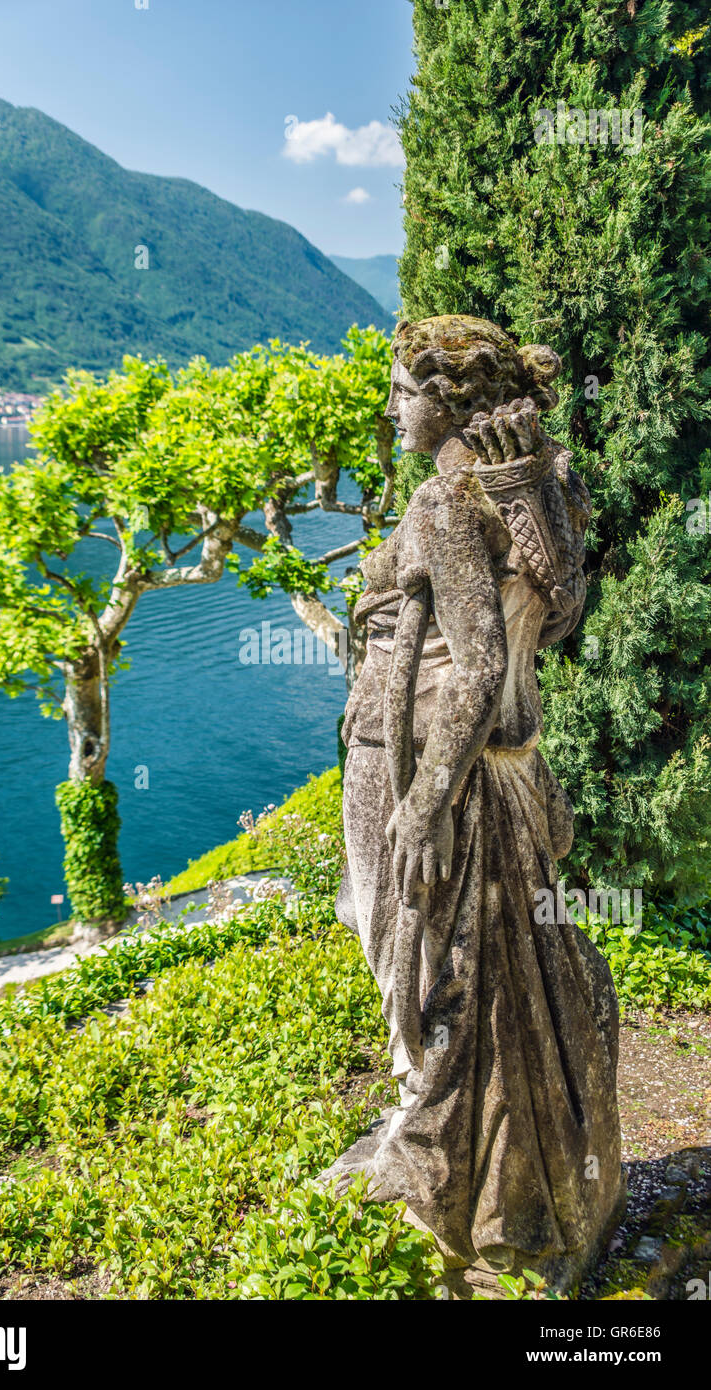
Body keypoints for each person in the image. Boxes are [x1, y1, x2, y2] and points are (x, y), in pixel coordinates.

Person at [332, 314, 623, 1290]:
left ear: (449, 396)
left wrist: (421, 796)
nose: (389, 407)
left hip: (428, 751)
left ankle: (442, 1170)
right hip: (499, 759)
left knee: (411, 954)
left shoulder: (446, 495)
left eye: (402, 390)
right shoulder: (532, 480)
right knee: (463, 958)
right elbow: (558, 612)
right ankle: (495, 1169)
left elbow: (479, 663)